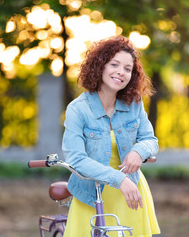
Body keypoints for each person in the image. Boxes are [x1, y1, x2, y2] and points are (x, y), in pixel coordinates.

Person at [62, 35, 160, 236]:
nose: (121, 72)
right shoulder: (78, 109)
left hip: (130, 195)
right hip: (91, 196)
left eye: (127, 68)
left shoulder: (134, 104)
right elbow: (76, 159)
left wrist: (138, 152)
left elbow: (150, 140)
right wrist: (118, 179)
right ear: (100, 66)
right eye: (114, 64)